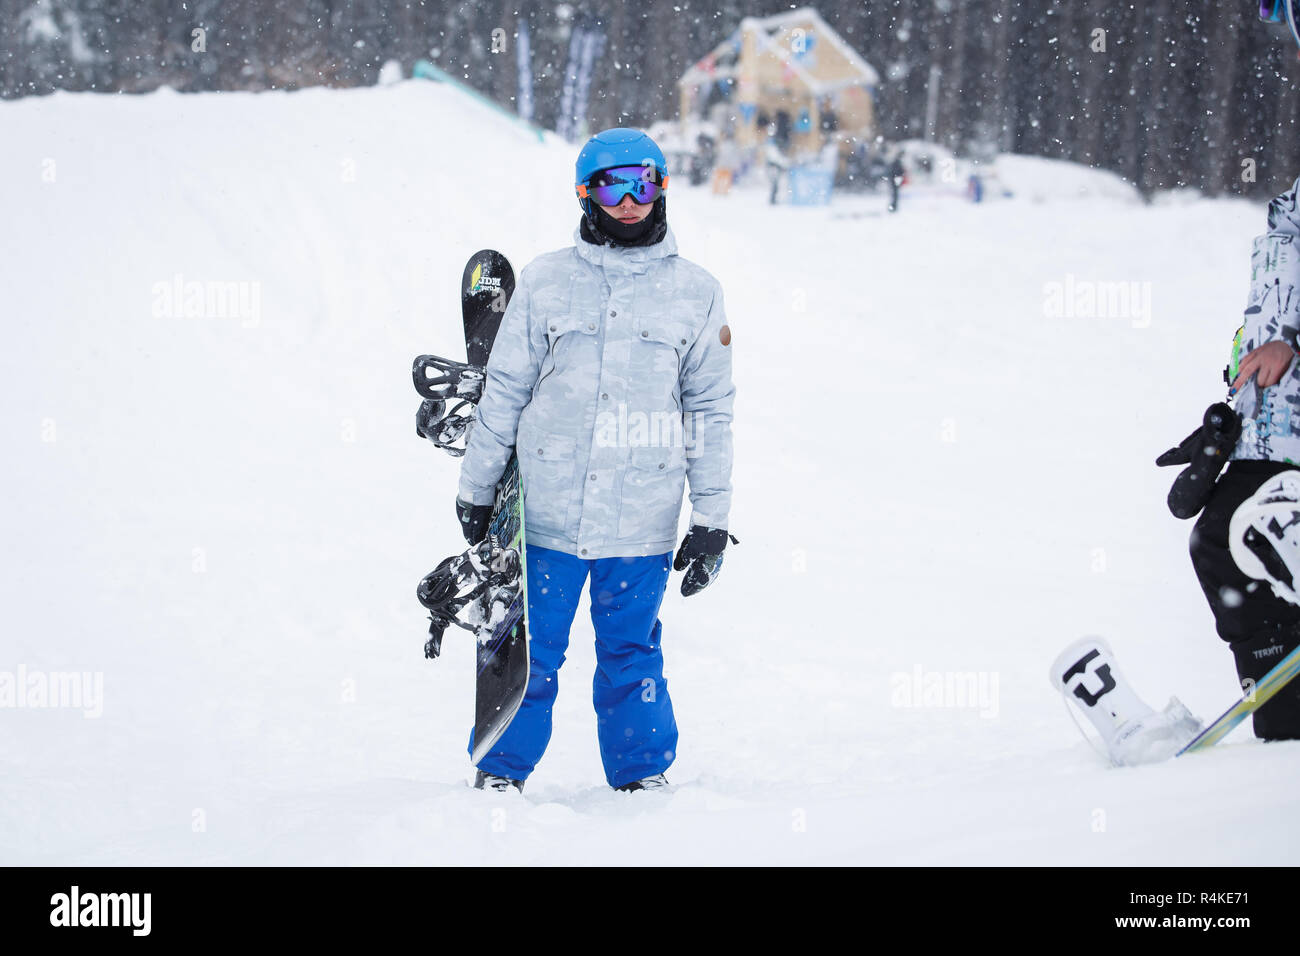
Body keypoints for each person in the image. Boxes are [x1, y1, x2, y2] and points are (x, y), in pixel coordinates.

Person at [454, 128, 737, 793]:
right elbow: (507, 390)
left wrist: (712, 519)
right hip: (547, 514)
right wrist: (477, 487)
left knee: (631, 656)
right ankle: (500, 772)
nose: (630, 199)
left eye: (643, 182)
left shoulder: (696, 293)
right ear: (587, 194)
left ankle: (642, 777)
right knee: (531, 655)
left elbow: (711, 411)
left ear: (662, 187)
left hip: (641, 519)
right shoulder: (549, 282)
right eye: (613, 185)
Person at [1171, 174, 1300, 742]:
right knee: (1217, 542)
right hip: (1272, 431)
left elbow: (1282, 336)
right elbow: (1261, 333)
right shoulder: (1284, 222)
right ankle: (1283, 712)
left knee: (1274, 537)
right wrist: (1228, 423)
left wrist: (1294, 339)